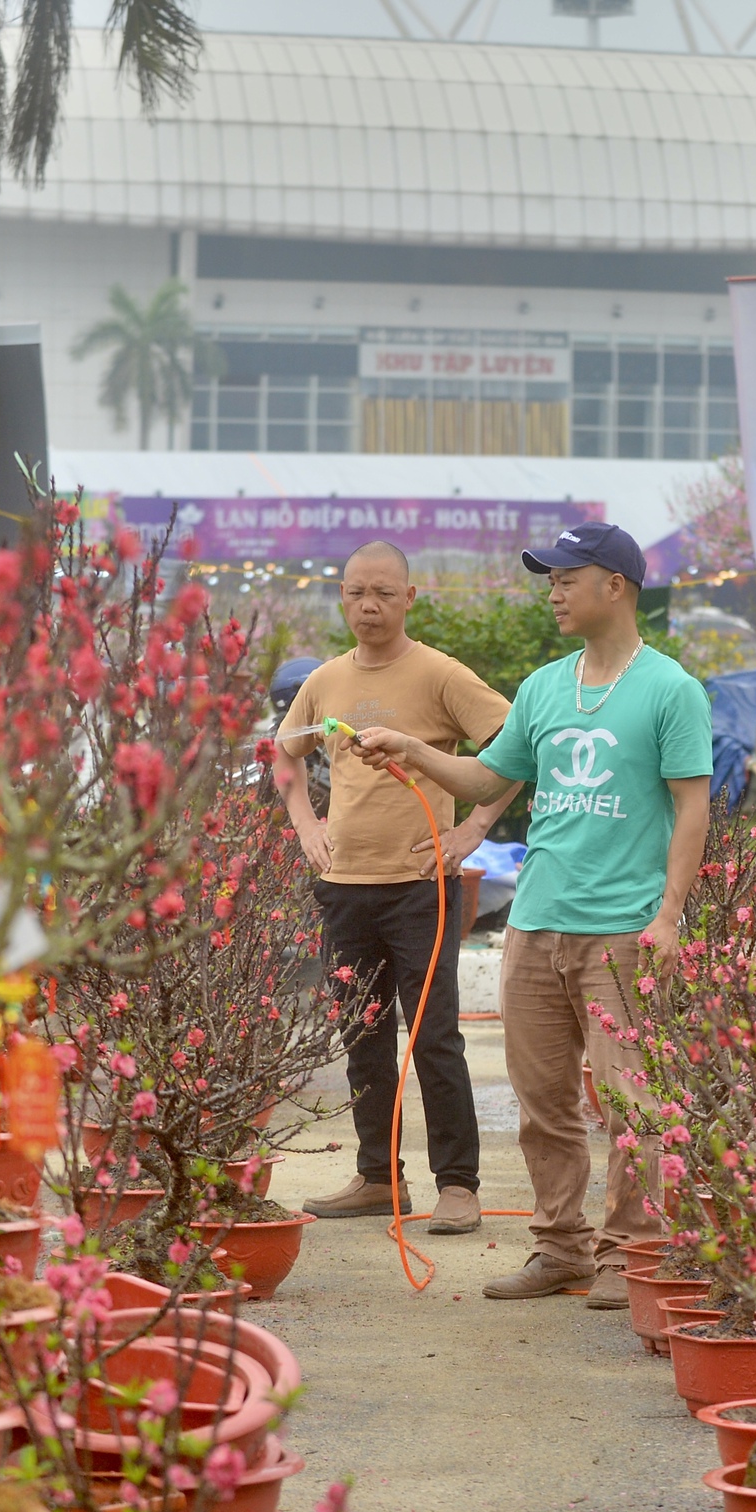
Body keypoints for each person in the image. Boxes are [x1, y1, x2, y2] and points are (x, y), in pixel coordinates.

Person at [352, 521, 712, 1309]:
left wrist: (670, 915)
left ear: (613, 585)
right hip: (537, 924)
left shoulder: (671, 689)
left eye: (565, 577)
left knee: (630, 1105)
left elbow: (692, 810)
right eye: (547, 578)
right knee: (543, 1102)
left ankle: (633, 1252)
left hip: (621, 928)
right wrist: (413, 751)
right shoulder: (546, 687)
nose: (551, 591)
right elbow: (486, 780)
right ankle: (561, 1247)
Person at [274, 542, 519, 1235]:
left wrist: (472, 829)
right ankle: (379, 1177)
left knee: (435, 1036)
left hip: (420, 885)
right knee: (364, 1035)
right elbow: (282, 756)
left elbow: (513, 751)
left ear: (410, 597)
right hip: (345, 887)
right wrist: (305, 827)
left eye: (383, 592)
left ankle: (459, 1184)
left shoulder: (440, 673)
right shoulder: (323, 679)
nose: (368, 606)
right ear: (341, 596)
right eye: (356, 593)